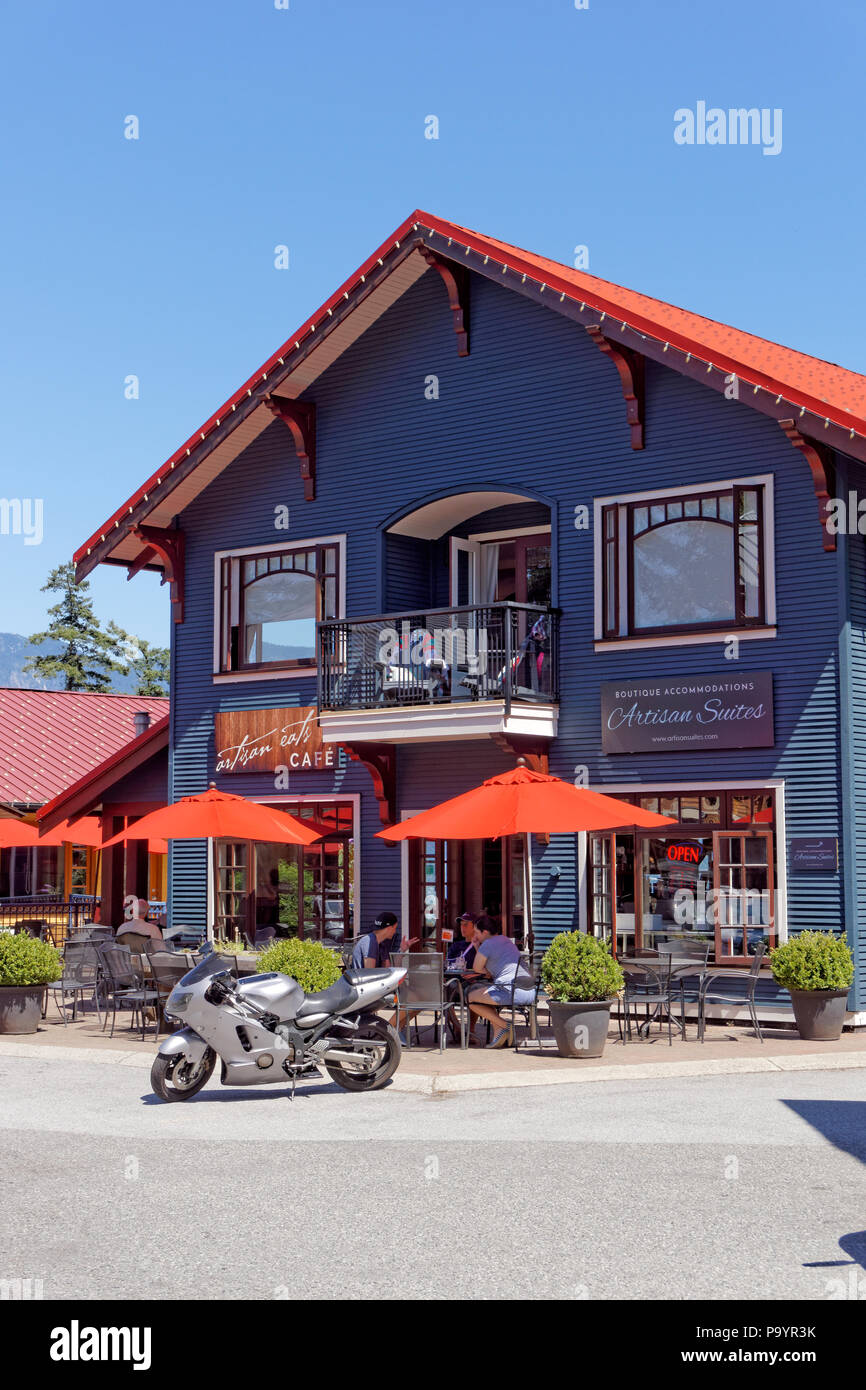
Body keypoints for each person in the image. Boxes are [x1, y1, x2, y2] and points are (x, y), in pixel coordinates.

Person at [466, 915, 533, 1048]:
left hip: (510, 990)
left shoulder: (488, 944)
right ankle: (499, 1032)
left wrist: (486, 970)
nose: (475, 935)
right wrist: (477, 946)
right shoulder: (506, 940)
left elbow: (477, 968)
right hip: (529, 991)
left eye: (476, 932)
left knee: (470, 998)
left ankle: (505, 1025)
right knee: (484, 997)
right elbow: (491, 961)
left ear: (485, 932)